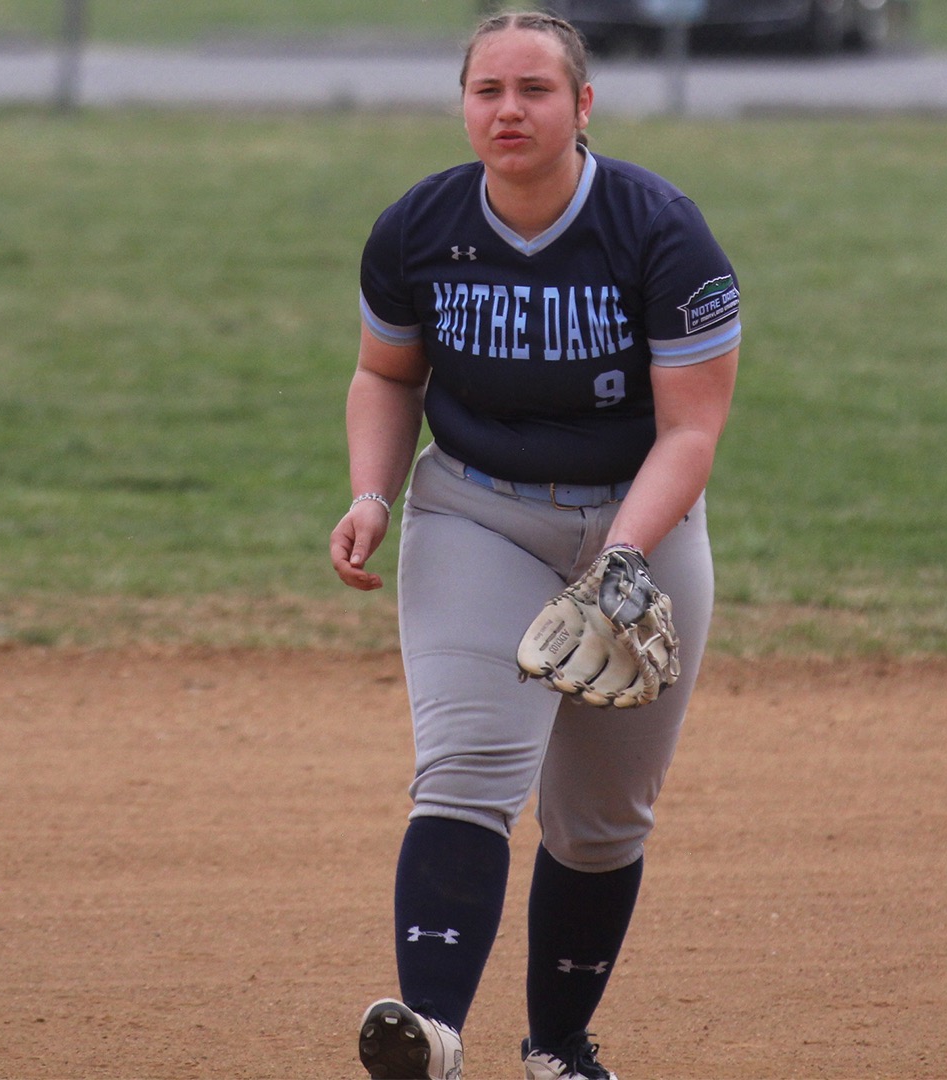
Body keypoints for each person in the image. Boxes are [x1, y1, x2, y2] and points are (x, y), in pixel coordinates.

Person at [328, 11, 741, 1079]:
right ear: (464, 105)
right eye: (488, 91)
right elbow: (386, 376)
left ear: (583, 105)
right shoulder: (417, 228)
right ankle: (430, 1034)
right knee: (465, 772)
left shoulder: (661, 231)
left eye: (535, 90)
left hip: (639, 523)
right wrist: (371, 493)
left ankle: (556, 1049)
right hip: (478, 511)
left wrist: (627, 556)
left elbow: (692, 428)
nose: (508, 111)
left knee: (602, 821)